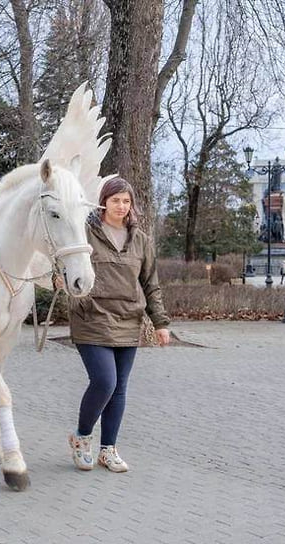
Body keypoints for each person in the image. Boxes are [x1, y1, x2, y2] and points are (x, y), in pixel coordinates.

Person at [66, 178, 171, 473]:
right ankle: (82, 437)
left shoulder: (140, 239)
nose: (121, 207)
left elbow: (151, 284)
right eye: (115, 201)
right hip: (92, 317)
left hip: (128, 320)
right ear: (103, 202)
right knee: (104, 382)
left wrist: (160, 322)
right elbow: (64, 264)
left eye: (126, 201)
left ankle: (107, 450)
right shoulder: (85, 232)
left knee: (119, 389)